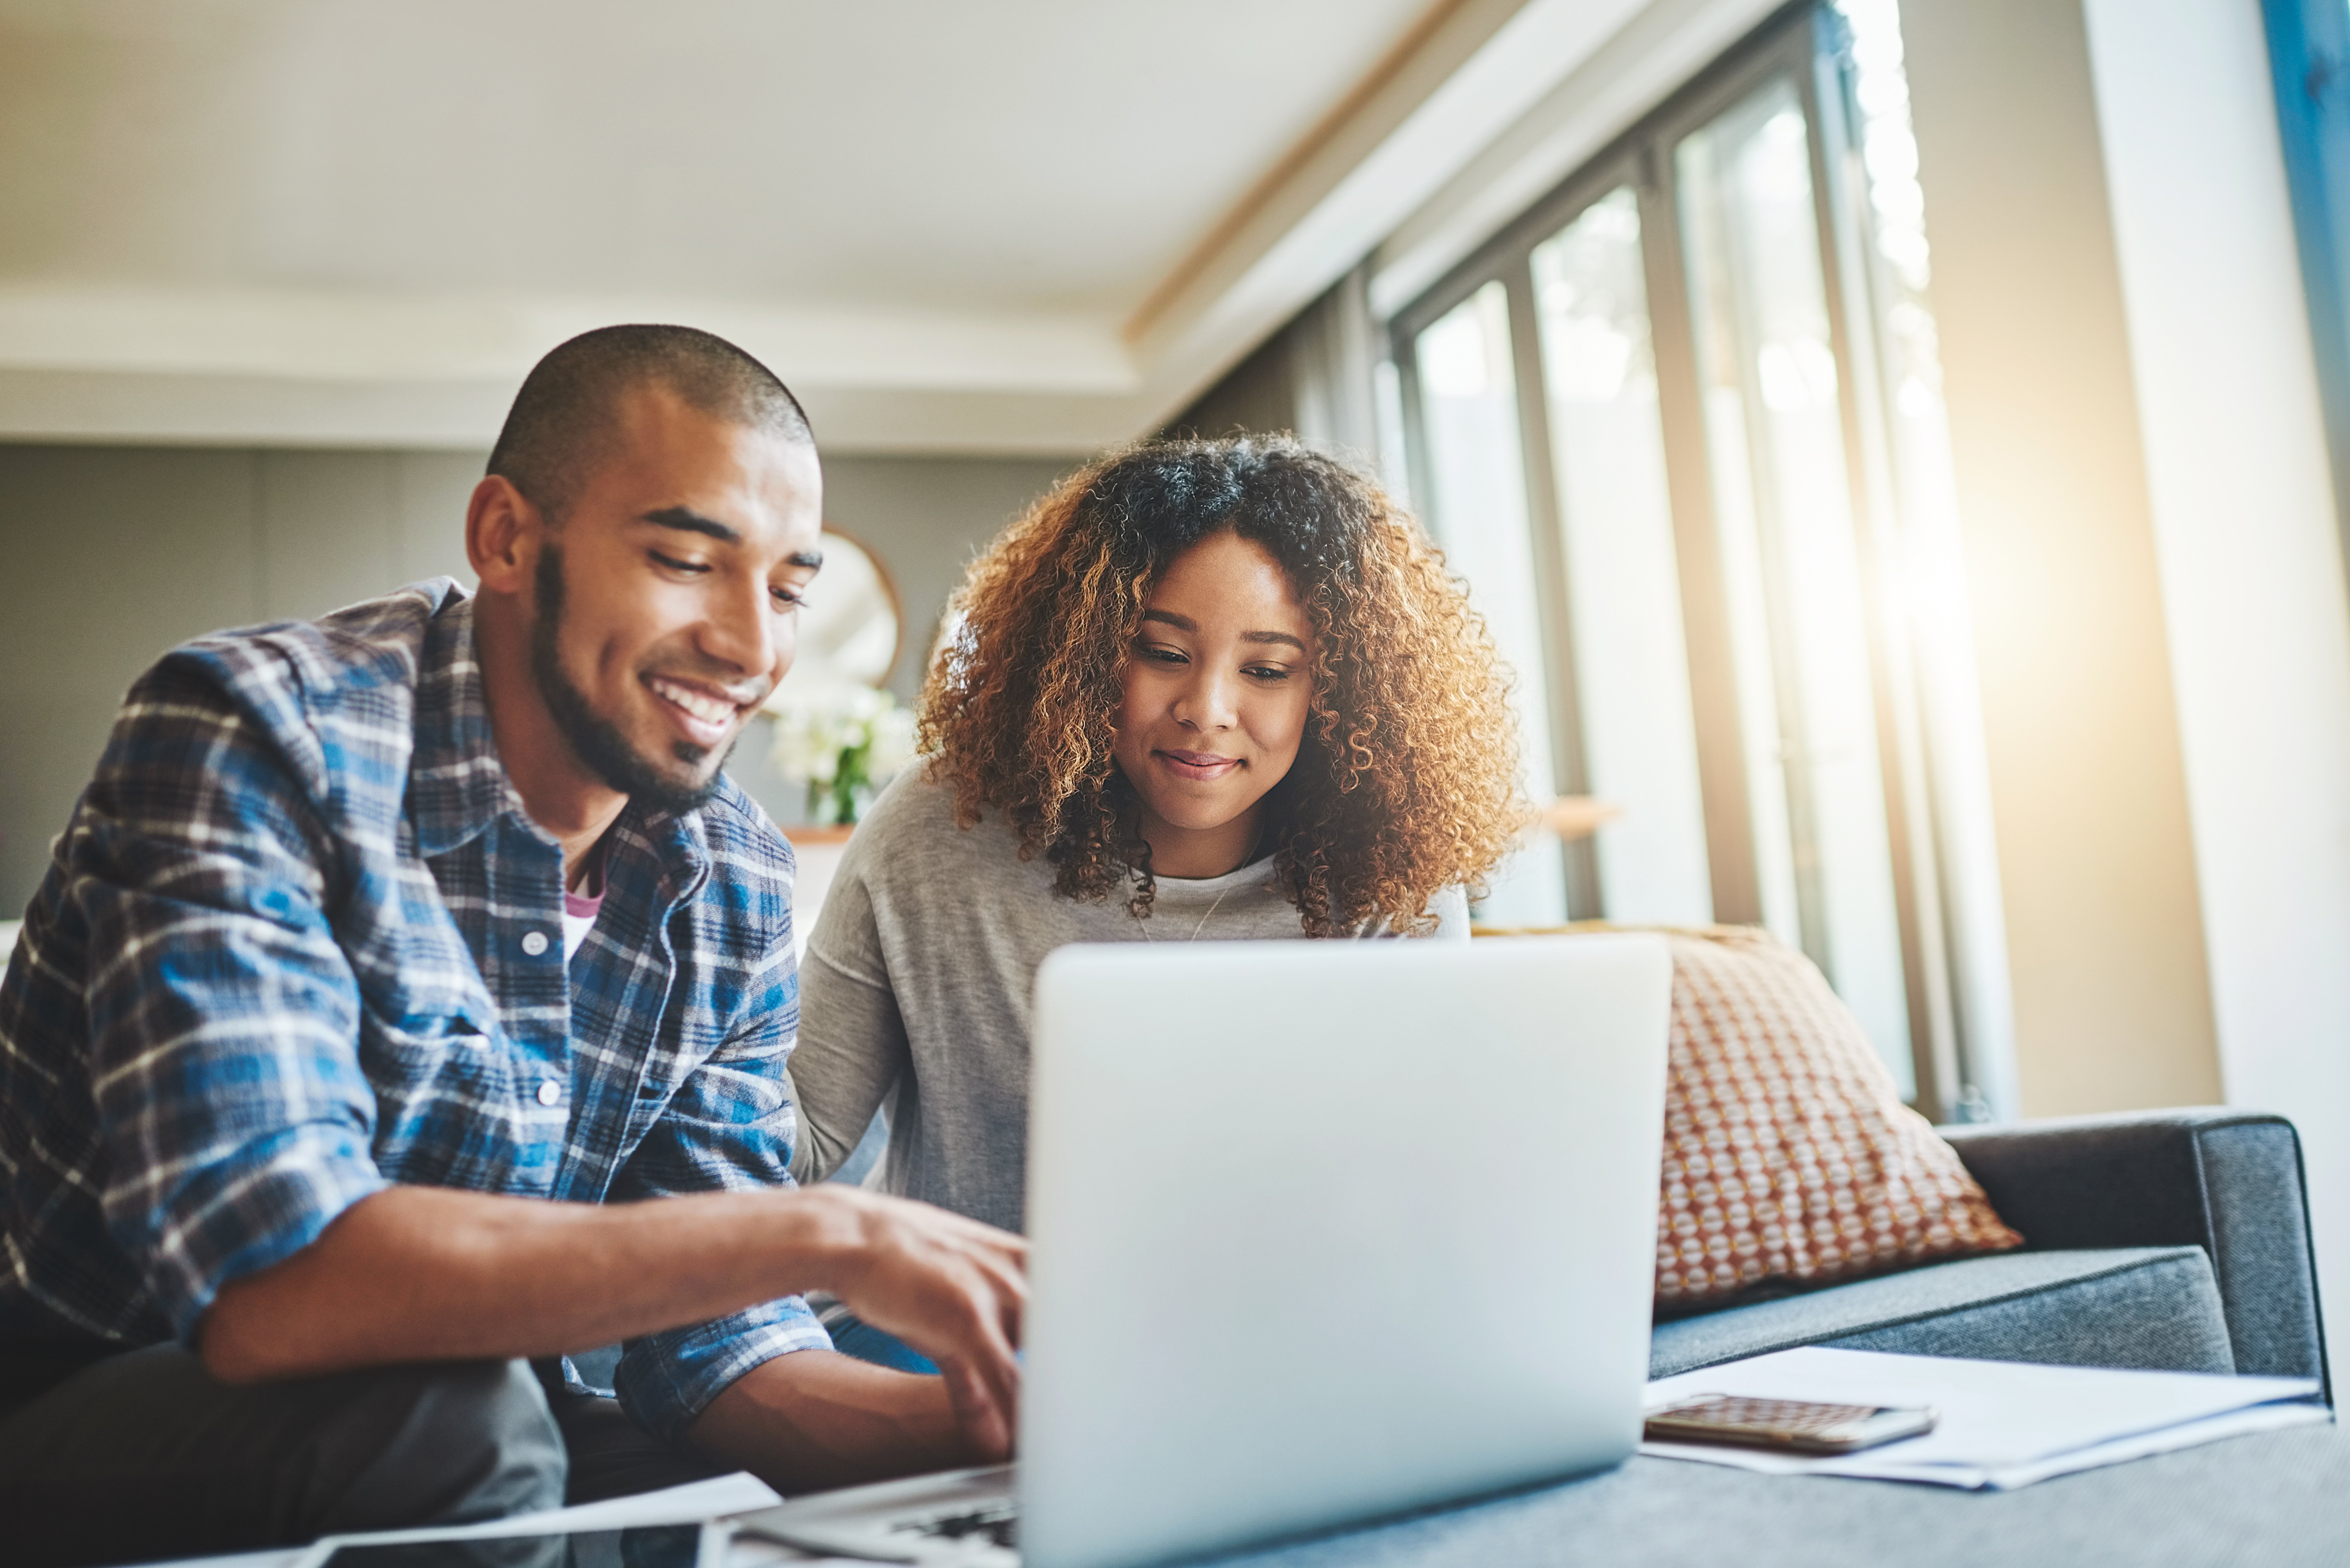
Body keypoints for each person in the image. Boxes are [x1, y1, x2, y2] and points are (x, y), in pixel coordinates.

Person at [0, 325, 1026, 1568]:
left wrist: (1006, 1434)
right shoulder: (253, 737)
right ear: (505, 539)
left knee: (724, 1506)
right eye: (687, 560)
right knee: (471, 1429)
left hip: (465, 1415)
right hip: (80, 1397)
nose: (754, 648)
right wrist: (832, 1234)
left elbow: (712, 1348)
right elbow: (273, 1285)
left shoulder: (732, 880)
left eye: (790, 588)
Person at [786, 436, 1523, 1366]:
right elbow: (799, 1138)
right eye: (1162, 652)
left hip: (1274, 1337)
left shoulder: (1387, 872)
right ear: (1089, 651)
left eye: (1267, 670)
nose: (1207, 708)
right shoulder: (941, 829)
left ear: (1333, 691)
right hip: (964, 1342)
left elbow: (1420, 1179)